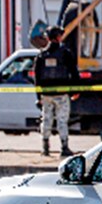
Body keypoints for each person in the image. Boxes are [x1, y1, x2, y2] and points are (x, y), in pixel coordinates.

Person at [33, 26, 78, 157]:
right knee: (62, 121)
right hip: (62, 94)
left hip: (46, 94)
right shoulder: (65, 53)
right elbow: (73, 73)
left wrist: (38, 96)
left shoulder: (41, 55)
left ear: (47, 38)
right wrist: (75, 90)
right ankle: (64, 147)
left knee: (46, 120)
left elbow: (37, 78)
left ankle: (45, 147)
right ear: (59, 37)